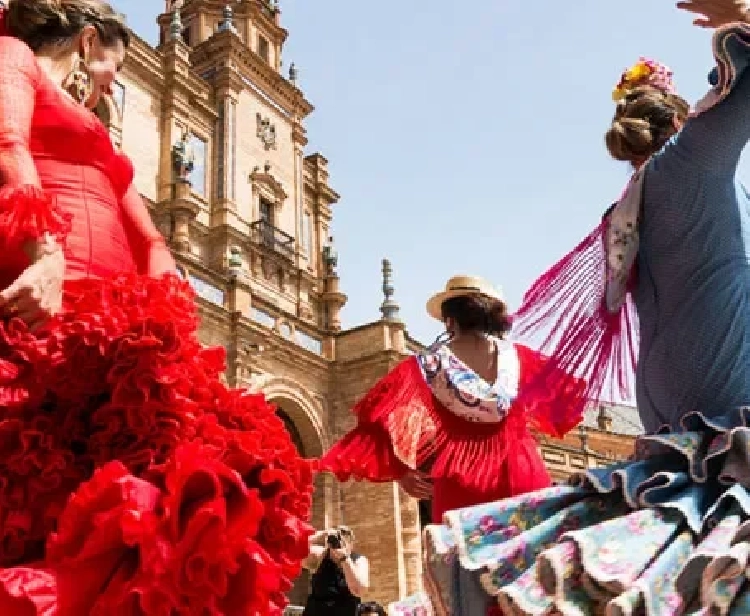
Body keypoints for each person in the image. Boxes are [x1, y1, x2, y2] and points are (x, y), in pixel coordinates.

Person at [419, 2, 750, 615]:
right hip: (722, 414)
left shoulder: (628, 208)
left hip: (674, 422)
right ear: (685, 119)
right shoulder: (693, 168)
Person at [0, 1, 313, 614]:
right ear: (88, 43)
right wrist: (46, 253)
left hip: (121, 327)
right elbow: (8, 141)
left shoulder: (90, 120)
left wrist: (172, 319)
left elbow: (149, 234)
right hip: (54, 303)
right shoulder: (16, 61)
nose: (110, 83)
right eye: (113, 66)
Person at [318, 274, 583, 526]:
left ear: (449, 321)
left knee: (463, 570)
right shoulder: (521, 358)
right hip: (524, 475)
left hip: (461, 489)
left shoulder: (424, 367)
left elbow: (378, 422)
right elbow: (567, 401)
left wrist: (402, 471)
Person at [302, 526, 370, 616]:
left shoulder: (358, 560)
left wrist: (344, 559)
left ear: (352, 544)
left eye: (345, 539)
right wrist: (323, 534)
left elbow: (359, 590)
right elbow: (294, 548)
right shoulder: (320, 556)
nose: (340, 543)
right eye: (337, 539)